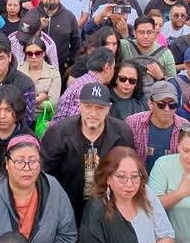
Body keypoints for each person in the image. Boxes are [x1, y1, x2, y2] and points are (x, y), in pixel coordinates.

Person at [41, 82, 134, 224]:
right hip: (65, 204)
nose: (93, 113)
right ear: (79, 105)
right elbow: (45, 174)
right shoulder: (58, 133)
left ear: (108, 108)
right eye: (88, 106)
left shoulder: (122, 133)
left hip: (109, 206)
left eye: (100, 108)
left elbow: (129, 171)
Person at [125, 79, 190, 171]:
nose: (167, 109)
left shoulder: (184, 126)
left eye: (172, 105)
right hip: (139, 177)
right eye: (161, 105)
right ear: (150, 104)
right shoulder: (133, 123)